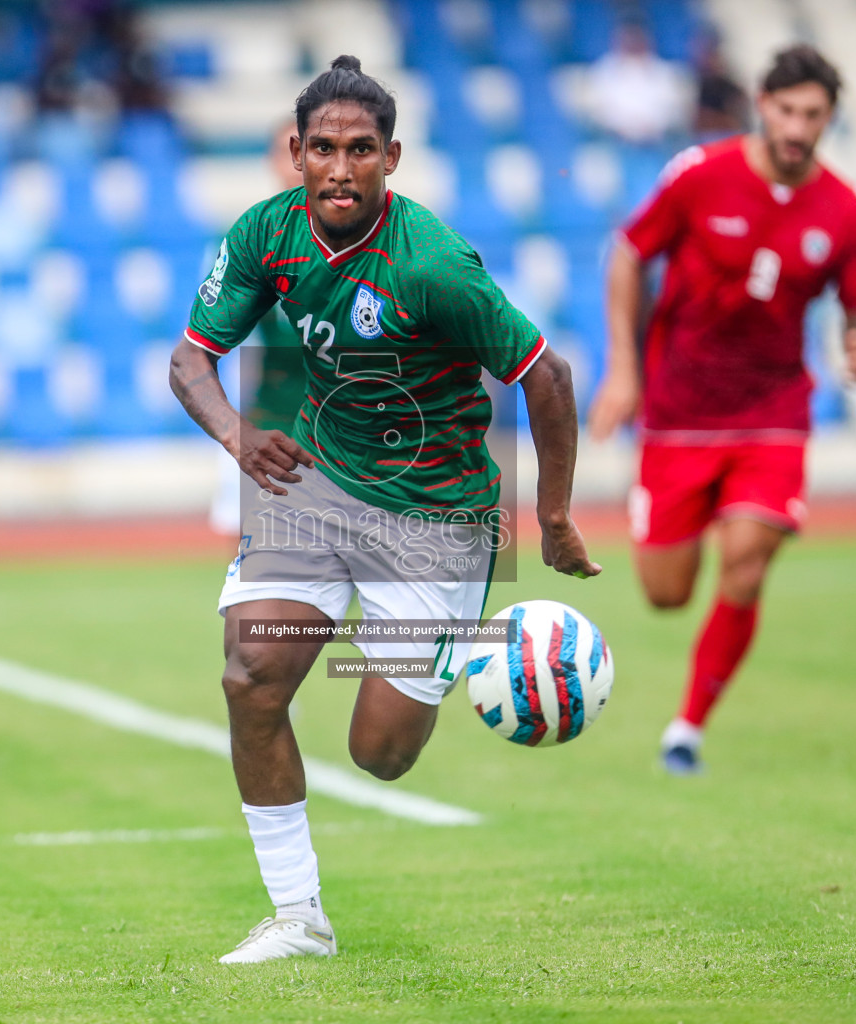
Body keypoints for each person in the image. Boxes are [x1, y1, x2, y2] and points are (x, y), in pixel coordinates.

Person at [169, 55, 598, 963]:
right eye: (322, 148)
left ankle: (460, 648)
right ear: (295, 153)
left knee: (381, 755)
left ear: (391, 158)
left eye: (359, 149)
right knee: (250, 677)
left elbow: (548, 378)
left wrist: (552, 517)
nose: (338, 167)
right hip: (317, 487)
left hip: (434, 522)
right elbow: (190, 362)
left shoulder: (435, 265)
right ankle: (299, 918)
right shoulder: (265, 235)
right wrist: (240, 438)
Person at [587, 44, 856, 776]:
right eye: (787, 110)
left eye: (813, 114)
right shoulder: (699, 175)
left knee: (746, 564)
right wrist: (623, 369)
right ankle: (691, 514)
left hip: (773, 413)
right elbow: (627, 253)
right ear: (762, 104)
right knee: (666, 593)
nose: (798, 126)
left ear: (828, 118)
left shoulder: (847, 211)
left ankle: (687, 728)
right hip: (679, 412)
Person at [209, 120, 309, 535]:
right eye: (289, 153)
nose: (297, 165)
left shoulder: (372, 244)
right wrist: (237, 426)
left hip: (349, 421)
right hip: (271, 414)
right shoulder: (251, 239)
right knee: (246, 540)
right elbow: (213, 344)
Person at [586, 24, 689, 144]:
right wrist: (624, 127)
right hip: (616, 141)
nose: (632, 44)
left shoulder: (665, 72)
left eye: (636, 40)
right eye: (628, 40)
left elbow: (673, 108)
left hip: (658, 140)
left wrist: (652, 126)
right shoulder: (603, 71)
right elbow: (597, 111)